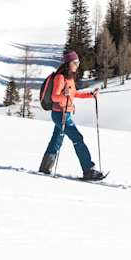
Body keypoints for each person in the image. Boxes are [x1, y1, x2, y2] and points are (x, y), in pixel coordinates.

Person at [38, 51, 106, 181]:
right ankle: (88, 170)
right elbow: (54, 96)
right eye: (75, 63)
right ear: (68, 63)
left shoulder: (69, 78)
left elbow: (74, 94)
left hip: (65, 114)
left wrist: (90, 94)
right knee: (78, 139)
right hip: (60, 114)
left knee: (56, 141)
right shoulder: (60, 77)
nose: (77, 65)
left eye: (78, 62)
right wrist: (65, 95)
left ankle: (45, 167)